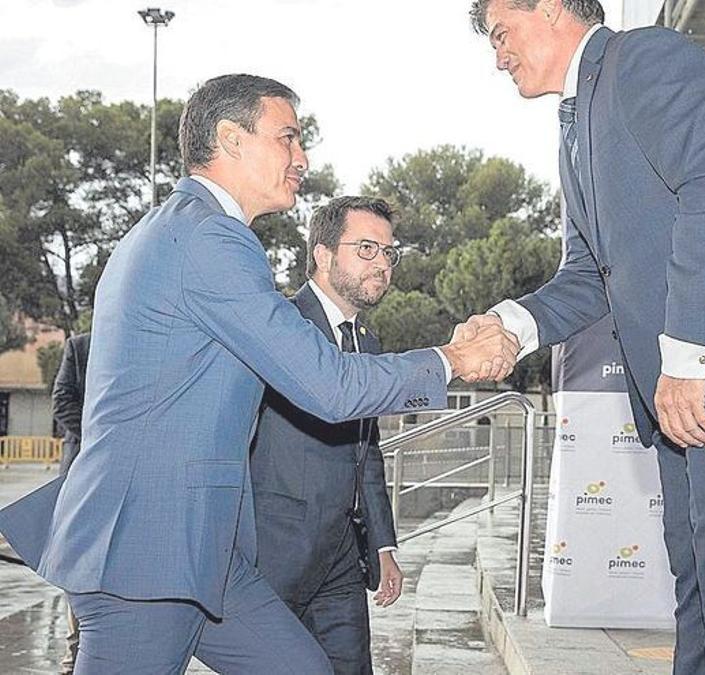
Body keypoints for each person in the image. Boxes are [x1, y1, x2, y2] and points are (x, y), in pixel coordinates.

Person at [0, 74, 517, 674]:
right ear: (230, 138)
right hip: (147, 551)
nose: (302, 159)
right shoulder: (209, 238)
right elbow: (328, 384)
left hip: (205, 552)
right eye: (288, 138)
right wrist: (451, 360)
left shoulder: (182, 229)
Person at [464, 2, 705, 673]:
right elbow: (589, 274)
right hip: (693, 379)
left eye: (500, 33)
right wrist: (511, 325)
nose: (497, 57)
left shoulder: (644, 58)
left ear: (551, 8)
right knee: (699, 583)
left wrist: (689, 356)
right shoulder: (574, 120)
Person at [251, 197, 407, 674]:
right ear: (321, 255)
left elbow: (367, 452)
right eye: (366, 248)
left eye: (388, 252)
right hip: (276, 555)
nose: (382, 263)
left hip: (342, 554)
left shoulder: (368, 342)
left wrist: (383, 543)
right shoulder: (278, 326)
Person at [50, 331, 90, 674]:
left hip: (129, 473)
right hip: (81, 470)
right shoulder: (79, 347)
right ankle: (74, 656)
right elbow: (62, 402)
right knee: (78, 563)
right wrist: (100, 435)